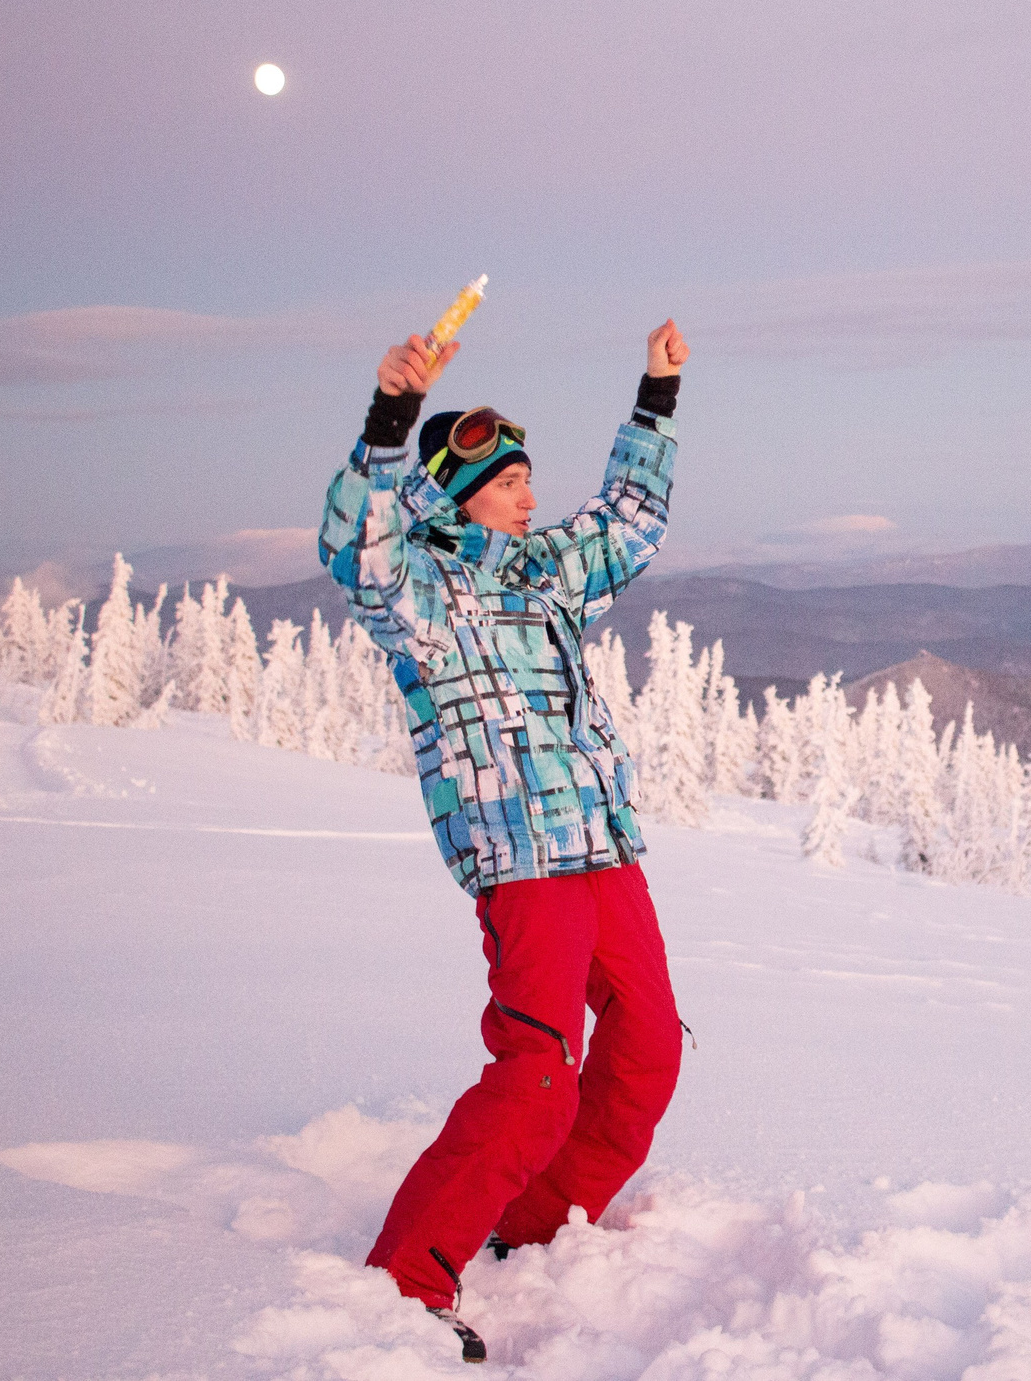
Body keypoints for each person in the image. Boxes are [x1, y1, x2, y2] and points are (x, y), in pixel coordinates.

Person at [318, 316, 692, 1361]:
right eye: (510, 480)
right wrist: (389, 421)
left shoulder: (544, 570)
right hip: (524, 859)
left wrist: (655, 395)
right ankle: (407, 1276)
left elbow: (626, 522)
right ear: (454, 492)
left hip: (604, 845)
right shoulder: (426, 595)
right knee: (538, 1077)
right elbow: (359, 547)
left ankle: (533, 1225)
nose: (532, 494)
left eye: (530, 476)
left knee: (650, 1048)